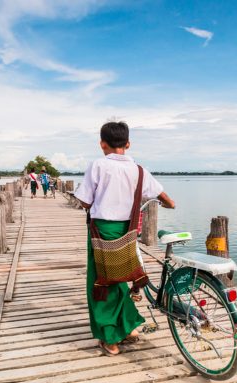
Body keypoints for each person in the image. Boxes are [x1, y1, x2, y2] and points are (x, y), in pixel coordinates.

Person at [75, 121, 175, 356]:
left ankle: (110, 339)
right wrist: (170, 204)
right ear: (128, 144)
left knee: (102, 284)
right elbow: (161, 194)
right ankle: (128, 327)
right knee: (120, 278)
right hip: (128, 232)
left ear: (102, 144)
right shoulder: (139, 170)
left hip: (103, 232)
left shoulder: (98, 165)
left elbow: (85, 201)